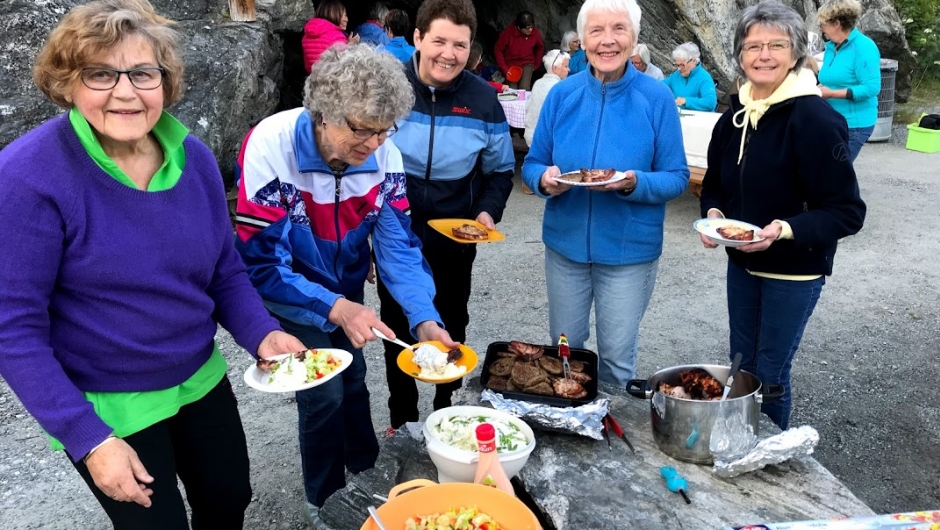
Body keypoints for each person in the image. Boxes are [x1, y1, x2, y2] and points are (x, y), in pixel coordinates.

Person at [0, 1, 307, 529]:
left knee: (229, 499)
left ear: (165, 80)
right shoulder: (29, 178)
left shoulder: (194, 159)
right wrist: (89, 439)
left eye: (143, 73)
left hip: (200, 376)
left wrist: (263, 333)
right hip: (110, 404)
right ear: (67, 82)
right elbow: (13, 327)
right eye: (100, 73)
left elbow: (223, 268)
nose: (125, 92)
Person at [234, 44, 456, 528]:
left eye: (384, 130)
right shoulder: (270, 145)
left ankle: (367, 475)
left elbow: (399, 246)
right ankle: (324, 499)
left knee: (354, 378)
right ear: (322, 112)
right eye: (361, 129)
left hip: (346, 290)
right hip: (288, 294)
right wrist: (336, 307)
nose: (373, 144)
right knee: (324, 393)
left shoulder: (384, 154)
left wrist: (424, 317)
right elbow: (261, 263)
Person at [699, 0, 866, 430]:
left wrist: (783, 229)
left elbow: (847, 211)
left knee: (771, 374)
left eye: (776, 44)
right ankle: (738, 441)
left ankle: (770, 462)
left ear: (795, 54)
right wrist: (714, 214)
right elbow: (715, 183)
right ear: (740, 55)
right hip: (743, 262)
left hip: (793, 271)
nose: (764, 55)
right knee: (741, 364)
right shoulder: (733, 117)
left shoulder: (815, 119)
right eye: (753, 46)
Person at [521, 0, 689, 386]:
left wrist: (634, 182)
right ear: (583, 39)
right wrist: (543, 181)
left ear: (634, 38)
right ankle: (571, 431)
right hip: (565, 249)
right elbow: (533, 163)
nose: (608, 41)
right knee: (565, 351)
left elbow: (677, 176)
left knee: (615, 360)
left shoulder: (656, 97)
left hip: (629, 252)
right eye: (597, 31)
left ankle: (613, 438)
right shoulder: (562, 95)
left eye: (619, 29)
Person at [377, 0, 515, 429]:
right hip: (393, 229)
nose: (448, 53)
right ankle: (402, 415)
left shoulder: (484, 100)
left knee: (452, 318)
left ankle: (446, 410)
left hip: (456, 235)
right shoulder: (387, 87)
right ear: (417, 39)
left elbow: (501, 171)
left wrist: (488, 214)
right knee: (395, 322)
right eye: (438, 40)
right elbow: (362, 163)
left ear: (471, 48)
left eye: (460, 44)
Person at [816, 0, 881, 162]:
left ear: (836, 23)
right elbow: (835, 79)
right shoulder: (831, 47)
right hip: (832, 120)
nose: (821, 28)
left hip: (854, 125)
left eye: (823, 24)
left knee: (836, 173)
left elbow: (871, 88)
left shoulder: (864, 47)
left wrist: (831, 93)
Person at [525, 49, 570, 146]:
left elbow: (528, 107)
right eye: (566, 66)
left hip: (530, 136)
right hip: (548, 141)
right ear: (555, 68)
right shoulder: (560, 87)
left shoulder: (537, 83)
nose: (568, 69)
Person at [301, 0, 358, 73]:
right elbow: (343, 64)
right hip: (331, 80)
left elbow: (307, 65)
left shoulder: (306, 36)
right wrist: (350, 45)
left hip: (314, 78)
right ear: (333, 14)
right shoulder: (336, 36)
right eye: (345, 15)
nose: (347, 19)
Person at [494, 10, 545, 90]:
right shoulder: (508, 33)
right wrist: (504, 68)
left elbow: (540, 47)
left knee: (524, 88)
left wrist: (537, 64)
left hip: (527, 63)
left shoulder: (535, 33)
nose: (531, 30)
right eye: (527, 28)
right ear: (519, 27)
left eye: (532, 27)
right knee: (511, 90)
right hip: (511, 65)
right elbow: (498, 49)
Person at [663, 42, 718, 111]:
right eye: (677, 65)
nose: (679, 69)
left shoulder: (704, 78)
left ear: (694, 61)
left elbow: (710, 103)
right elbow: (659, 86)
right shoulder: (676, 75)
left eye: (682, 65)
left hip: (699, 120)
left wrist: (686, 101)